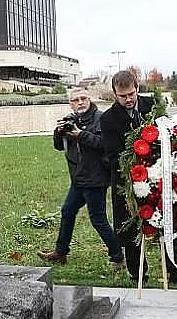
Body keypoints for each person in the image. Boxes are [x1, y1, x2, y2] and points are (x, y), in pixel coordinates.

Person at [99, 69, 177, 284]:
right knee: (130, 229)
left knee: (167, 222)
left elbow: (169, 137)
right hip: (126, 183)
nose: (128, 99)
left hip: (159, 178)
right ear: (114, 94)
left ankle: (175, 271)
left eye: (131, 94)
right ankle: (138, 274)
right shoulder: (108, 119)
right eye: (123, 96)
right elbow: (112, 154)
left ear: (137, 88)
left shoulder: (153, 107)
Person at [38, 88, 125, 270]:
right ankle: (61, 253)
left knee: (98, 219)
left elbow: (105, 145)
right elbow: (59, 147)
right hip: (79, 179)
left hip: (96, 178)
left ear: (89, 99)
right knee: (67, 211)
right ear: (71, 103)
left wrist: (80, 135)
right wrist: (59, 132)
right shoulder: (72, 120)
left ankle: (118, 257)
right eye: (75, 100)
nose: (80, 102)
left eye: (83, 98)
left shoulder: (101, 119)